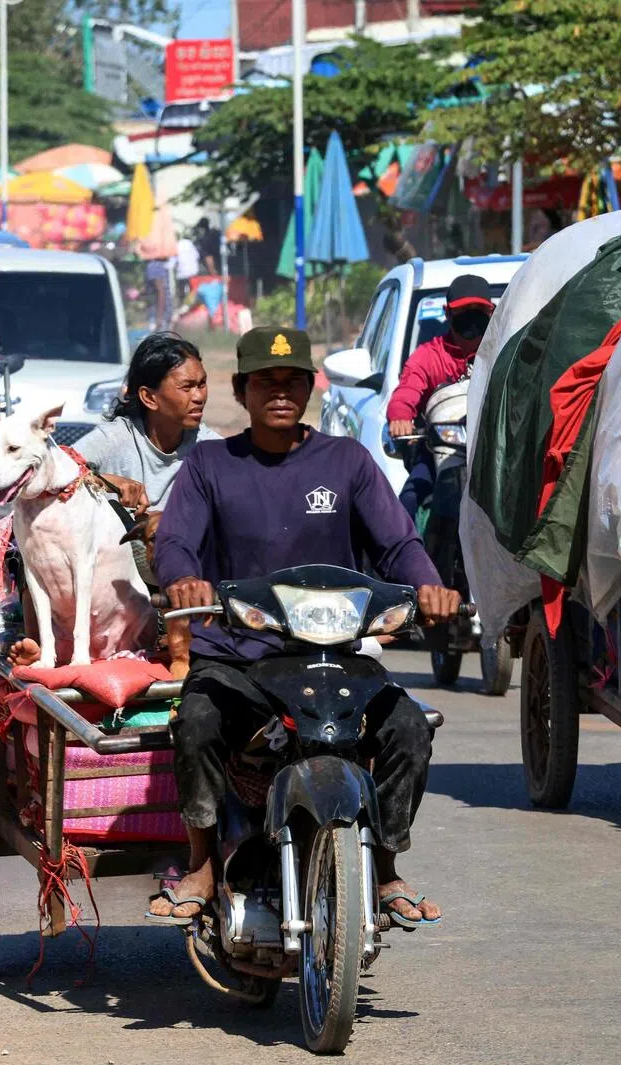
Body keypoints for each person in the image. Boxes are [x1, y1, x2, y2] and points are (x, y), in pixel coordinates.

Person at [150, 326, 460, 927]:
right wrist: (184, 580)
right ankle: (202, 863)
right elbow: (177, 541)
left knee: (408, 729)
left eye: (293, 381)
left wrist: (428, 586)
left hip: (333, 655)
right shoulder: (210, 465)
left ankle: (386, 866)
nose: (281, 393)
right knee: (197, 720)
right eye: (266, 382)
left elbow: (398, 544)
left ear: (311, 388)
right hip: (238, 656)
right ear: (241, 390)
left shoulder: (348, 462)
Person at [75, 332, 220, 514]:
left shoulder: (211, 449)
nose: (199, 396)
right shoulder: (114, 438)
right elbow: (55, 474)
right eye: (186, 387)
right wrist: (106, 481)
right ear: (149, 398)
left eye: (202, 384)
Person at [387, 274, 494, 519]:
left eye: (478, 311)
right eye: (463, 311)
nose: (471, 317)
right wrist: (400, 416)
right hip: (436, 450)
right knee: (409, 501)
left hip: (494, 449)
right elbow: (406, 392)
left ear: (491, 312)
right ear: (448, 314)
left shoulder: (503, 352)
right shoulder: (428, 356)